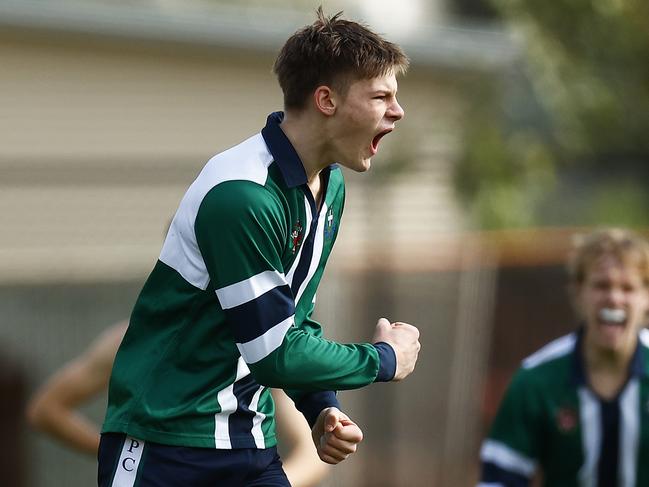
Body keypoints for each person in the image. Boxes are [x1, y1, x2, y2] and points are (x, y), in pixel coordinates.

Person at [99, 7, 420, 487]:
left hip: (249, 443)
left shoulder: (327, 186)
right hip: (163, 444)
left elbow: (292, 319)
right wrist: (383, 359)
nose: (397, 111)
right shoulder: (242, 193)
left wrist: (320, 407)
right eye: (381, 96)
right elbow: (274, 352)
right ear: (326, 100)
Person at [26, 321, 330, 487]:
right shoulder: (133, 341)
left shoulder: (259, 347)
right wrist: (131, 457)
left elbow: (312, 453)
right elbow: (46, 409)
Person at [478, 228, 649, 487]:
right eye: (602, 285)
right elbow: (499, 479)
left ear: (646, 297)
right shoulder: (536, 379)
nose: (614, 298)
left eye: (628, 288)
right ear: (578, 291)